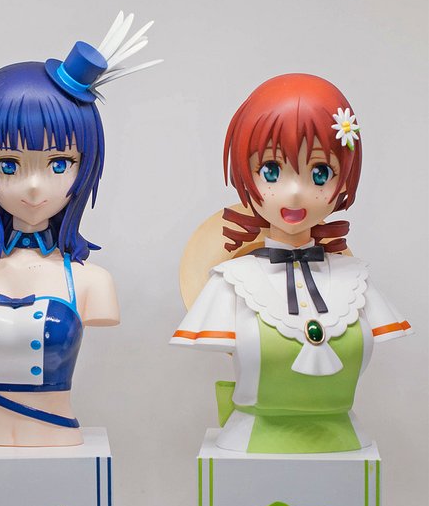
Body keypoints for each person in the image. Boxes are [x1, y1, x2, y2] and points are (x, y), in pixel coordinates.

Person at [0, 12, 161, 446]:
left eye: (59, 163)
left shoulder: (92, 282)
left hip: (57, 438)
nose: (34, 187)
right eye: (7, 164)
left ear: (86, 165)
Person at [171, 74, 412, 453]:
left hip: (347, 443)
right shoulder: (232, 283)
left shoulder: (356, 282)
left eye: (319, 173)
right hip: (249, 442)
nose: (296, 192)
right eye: (271, 171)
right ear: (244, 171)